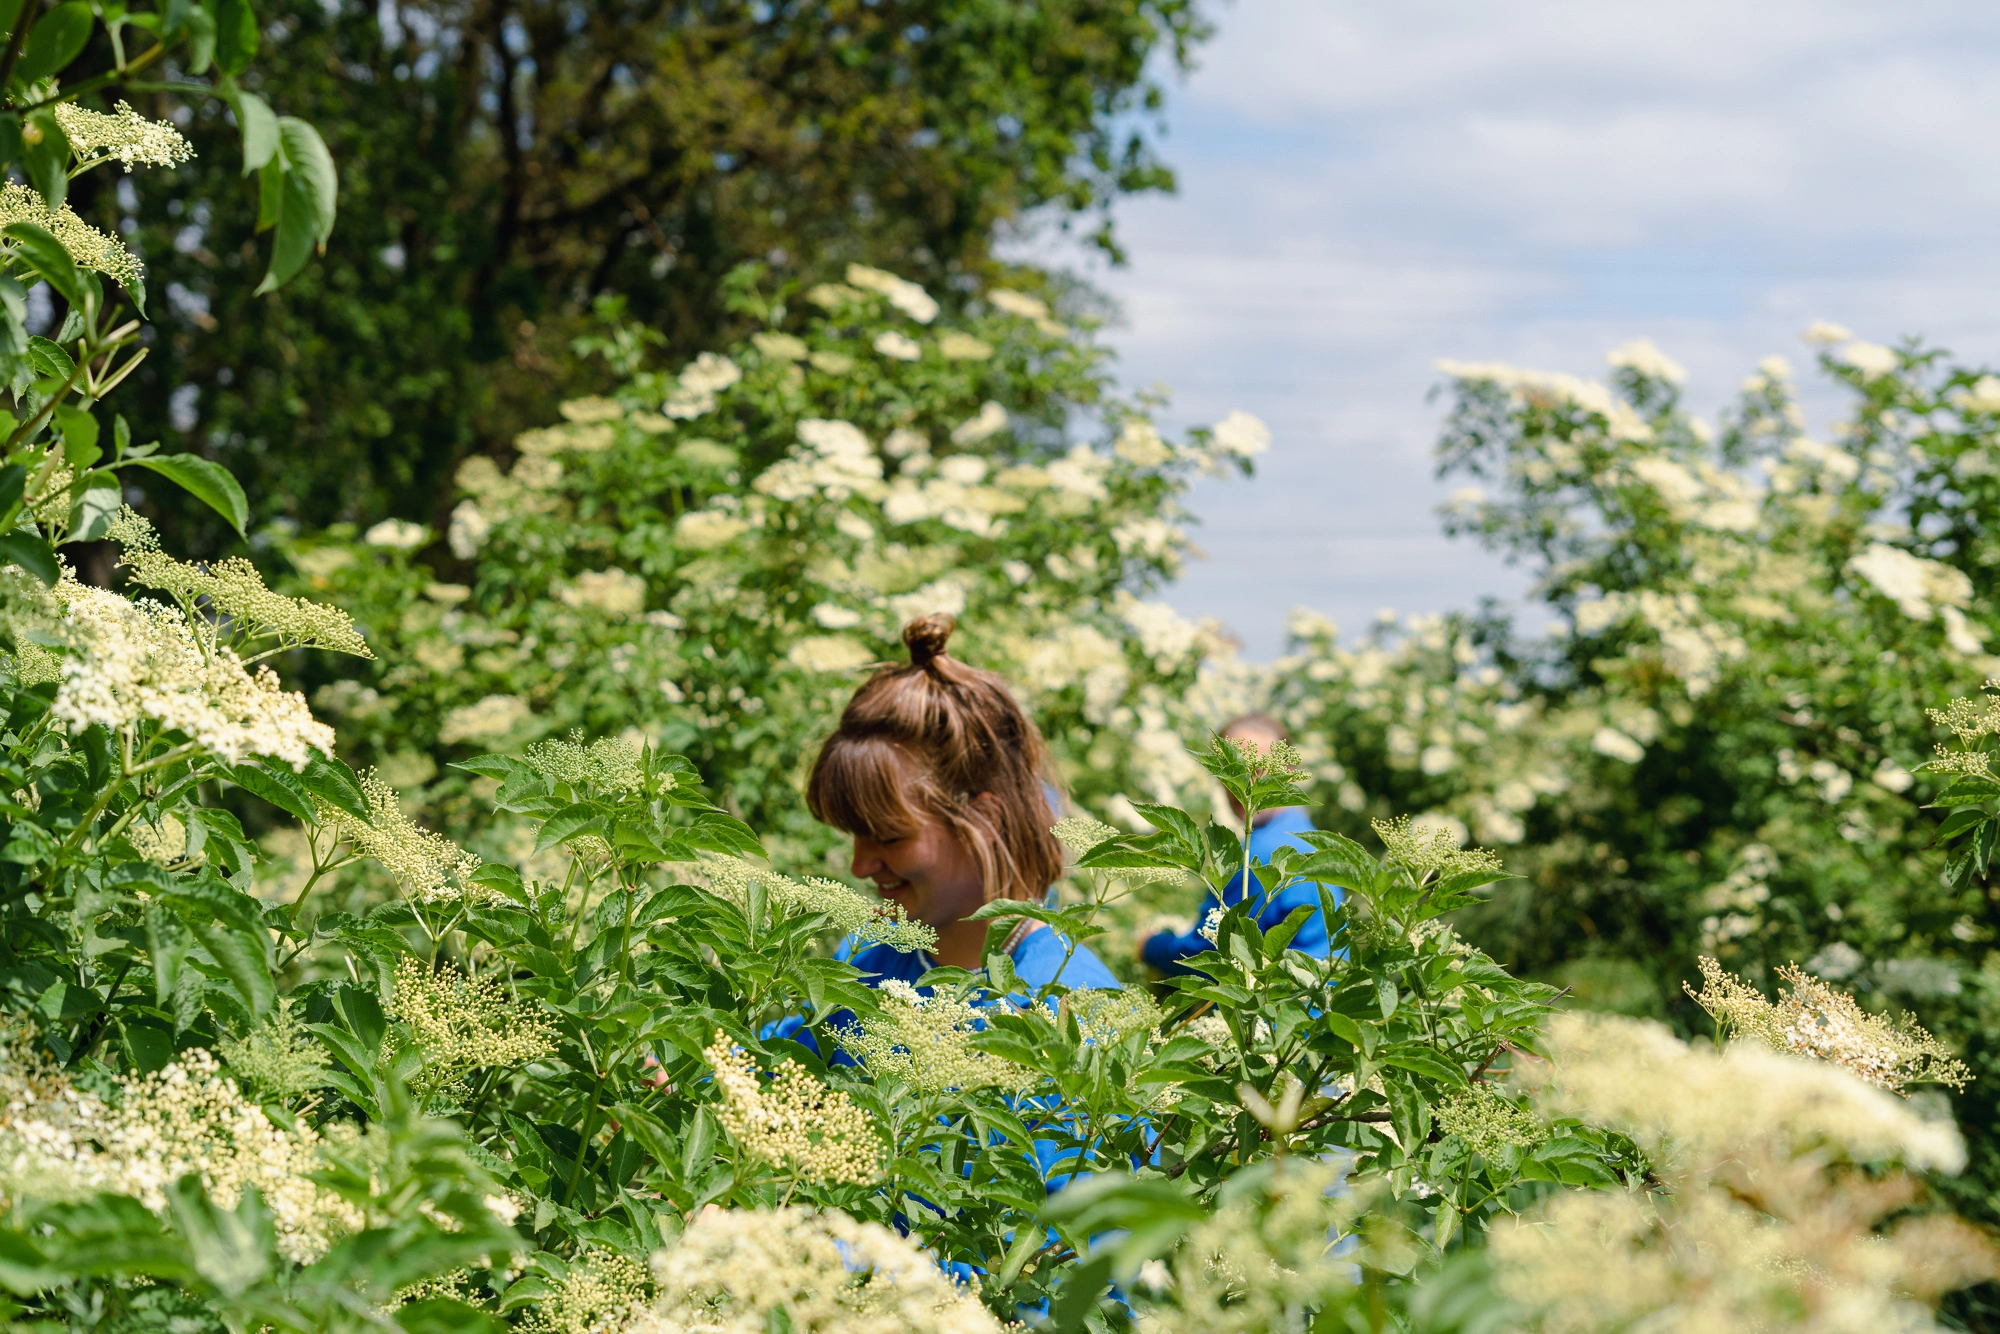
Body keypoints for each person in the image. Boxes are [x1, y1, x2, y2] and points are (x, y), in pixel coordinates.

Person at [796, 612, 1120, 1010]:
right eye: (854, 835)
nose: (859, 866)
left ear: (984, 820)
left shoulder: (1069, 1003)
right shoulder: (865, 956)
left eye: (890, 837)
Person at [1139, 712, 1341, 977]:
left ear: (1288, 771)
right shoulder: (1308, 839)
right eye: (1229, 772)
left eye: (1255, 770)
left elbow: (1209, 956)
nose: (1240, 787)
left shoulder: (1262, 855)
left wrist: (1149, 946)